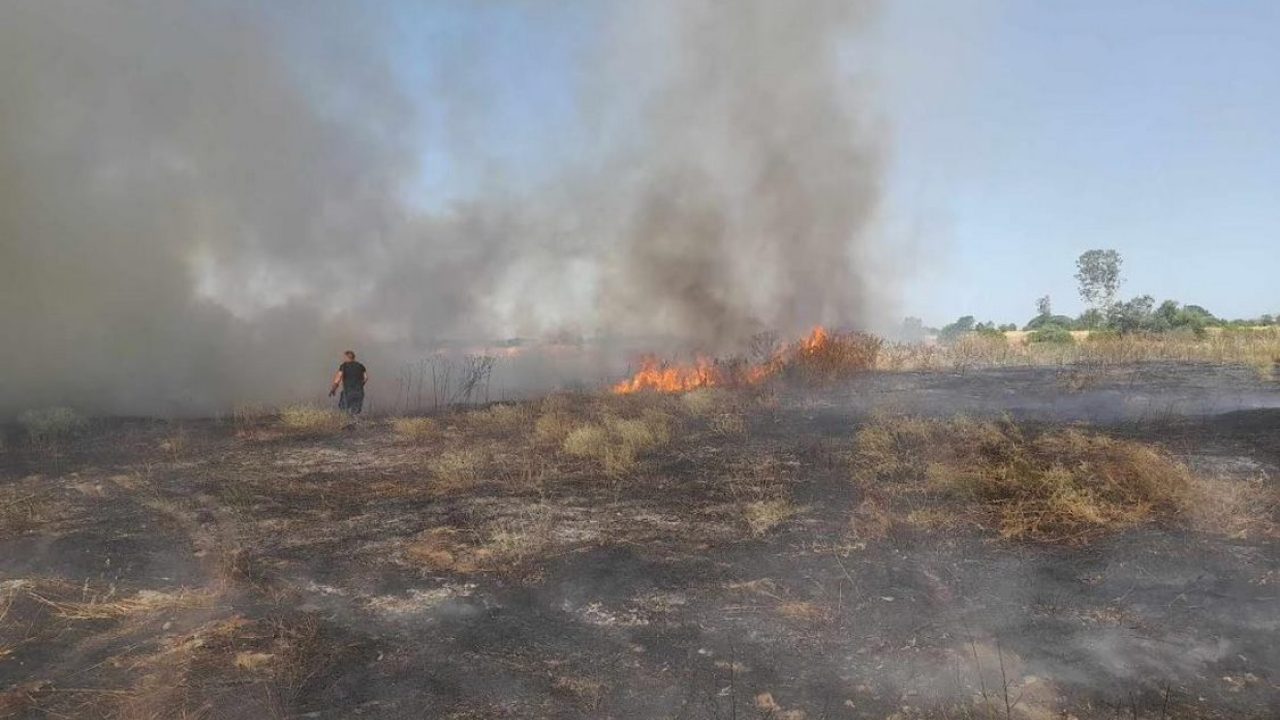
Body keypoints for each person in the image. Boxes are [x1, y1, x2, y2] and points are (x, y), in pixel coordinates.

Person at [330, 350, 368, 415]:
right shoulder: (361, 366)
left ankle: (346, 420)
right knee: (355, 412)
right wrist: (360, 385)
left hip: (348, 392)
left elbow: (338, 378)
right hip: (359, 392)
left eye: (344, 357)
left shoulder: (344, 366)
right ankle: (354, 420)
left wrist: (333, 389)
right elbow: (366, 378)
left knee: (344, 410)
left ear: (347, 357)